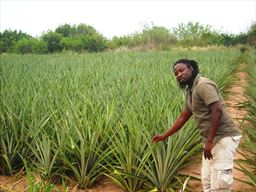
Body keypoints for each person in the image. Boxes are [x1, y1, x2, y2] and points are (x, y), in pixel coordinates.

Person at [152, 59, 242, 192]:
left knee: (220, 184)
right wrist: (164, 136)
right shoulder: (191, 90)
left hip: (223, 138)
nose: (179, 75)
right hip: (210, 140)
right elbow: (183, 117)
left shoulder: (203, 85)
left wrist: (210, 141)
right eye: (176, 73)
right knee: (207, 181)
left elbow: (216, 110)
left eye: (182, 70)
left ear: (191, 69)